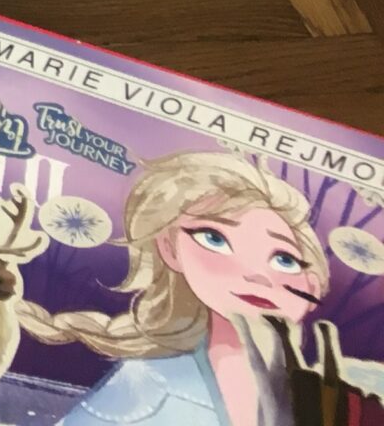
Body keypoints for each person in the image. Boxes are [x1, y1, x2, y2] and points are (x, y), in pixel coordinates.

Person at [25, 150, 383, 426]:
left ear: (313, 284)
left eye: (284, 259)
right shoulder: (148, 386)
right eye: (215, 239)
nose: (256, 275)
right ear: (169, 248)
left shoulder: (344, 398)